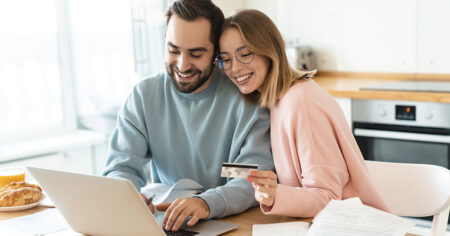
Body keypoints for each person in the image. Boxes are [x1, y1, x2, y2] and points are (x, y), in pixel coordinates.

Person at [102, 1, 274, 232]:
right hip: (165, 223)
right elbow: (122, 166)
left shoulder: (244, 100)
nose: (182, 65)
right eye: (173, 50)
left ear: (215, 51)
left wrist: (206, 202)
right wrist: (127, 196)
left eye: (196, 54)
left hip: (232, 225)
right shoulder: (145, 97)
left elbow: (249, 175)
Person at [218, 9, 389, 218]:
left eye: (245, 54)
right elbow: (261, 168)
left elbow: (327, 197)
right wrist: (219, 170)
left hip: (349, 224)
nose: (234, 68)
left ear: (269, 50)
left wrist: (275, 196)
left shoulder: (301, 103)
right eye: (225, 60)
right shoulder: (272, 102)